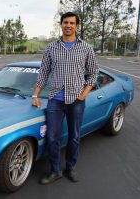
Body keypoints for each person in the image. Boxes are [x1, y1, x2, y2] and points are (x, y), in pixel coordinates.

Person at [32, 12, 99, 184]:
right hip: (55, 99)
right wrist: (36, 94)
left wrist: (84, 94)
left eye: (71, 23)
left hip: (76, 100)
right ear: (60, 24)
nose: (68, 25)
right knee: (52, 137)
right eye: (65, 22)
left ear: (76, 25)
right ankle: (55, 171)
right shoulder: (51, 48)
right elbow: (43, 73)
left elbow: (93, 73)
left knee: (74, 136)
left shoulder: (86, 48)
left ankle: (70, 167)